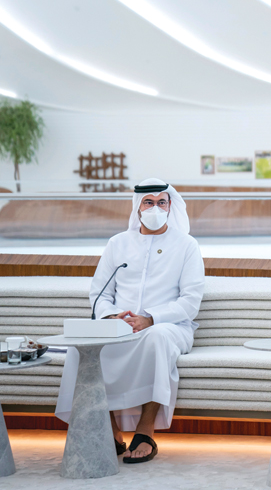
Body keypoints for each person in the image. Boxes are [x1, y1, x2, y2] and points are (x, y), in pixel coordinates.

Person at [55, 178, 205, 463]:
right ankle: (109, 429)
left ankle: (145, 429)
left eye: (161, 202)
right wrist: (112, 316)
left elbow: (190, 301)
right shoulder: (118, 243)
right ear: (138, 207)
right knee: (85, 346)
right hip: (120, 326)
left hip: (170, 326)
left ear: (170, 206)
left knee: (157, 338)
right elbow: (100, 293)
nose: (155, 208)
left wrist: (151, 319)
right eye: (149, 202)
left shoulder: (186, 245)